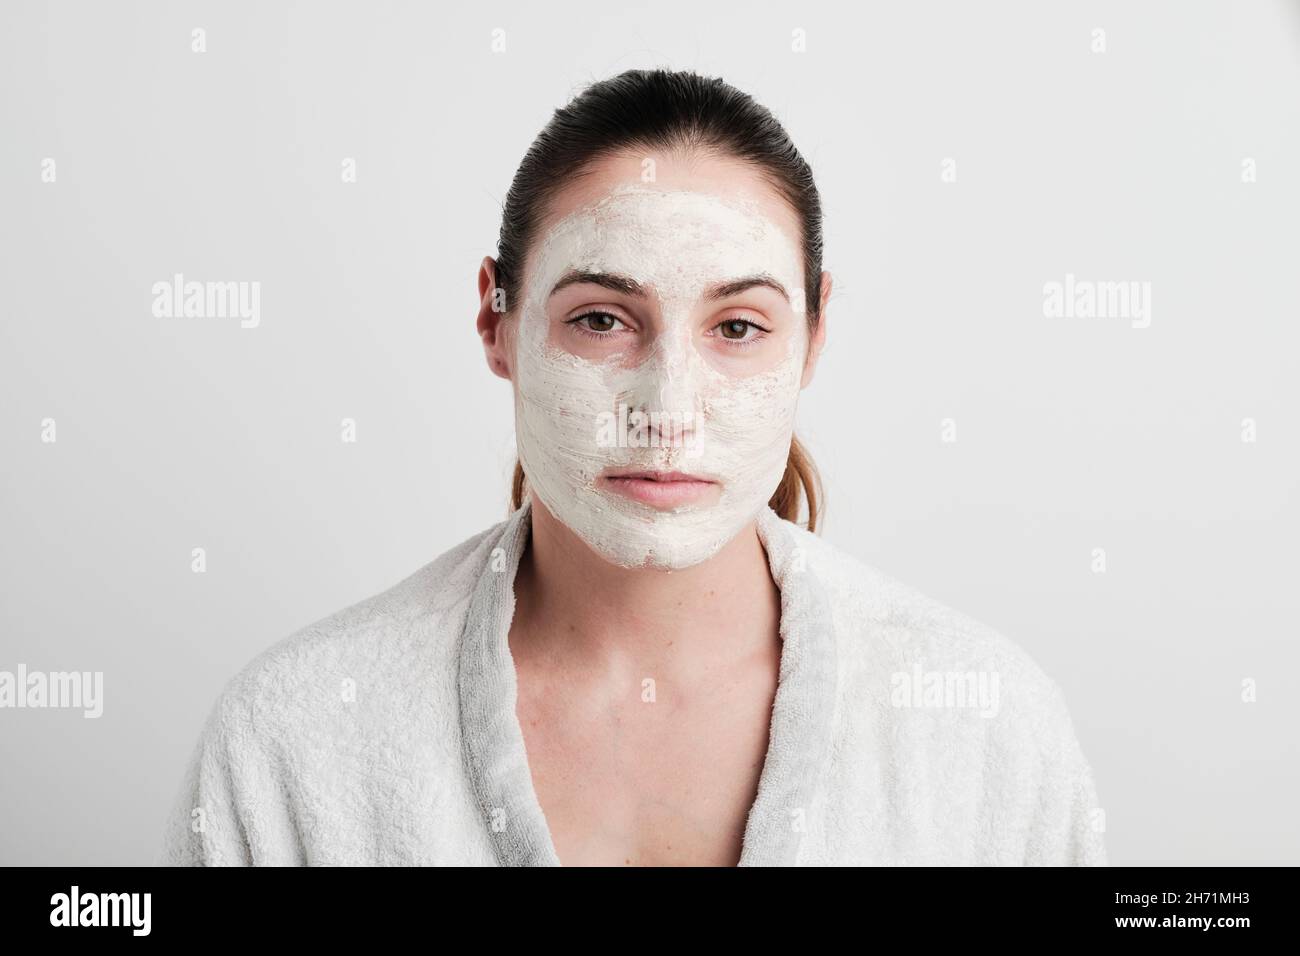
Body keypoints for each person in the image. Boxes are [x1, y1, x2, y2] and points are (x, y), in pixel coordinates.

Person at [159, 68, 1106, 866]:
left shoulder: (985, 728)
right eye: (602, 320)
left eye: (737, 327)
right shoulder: (299, 737)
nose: (668, 409)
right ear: (498, 321)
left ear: (813, 335)